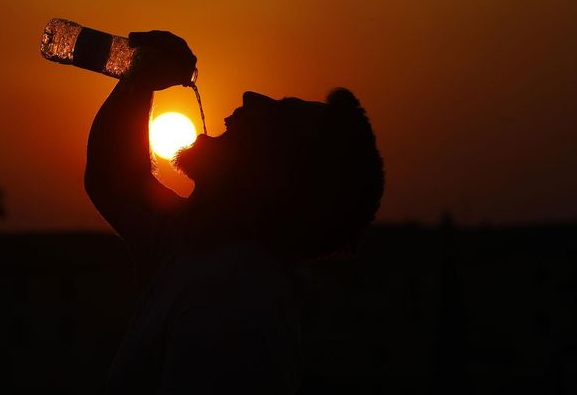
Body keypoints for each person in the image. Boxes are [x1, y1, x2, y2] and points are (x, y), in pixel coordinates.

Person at [85, 30, 384, 394]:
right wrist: (140, 76)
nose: (251, 97)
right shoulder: (196, 246)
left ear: (274, 177)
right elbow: (114, 179)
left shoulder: (236, 308)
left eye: (277, 115)